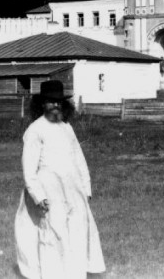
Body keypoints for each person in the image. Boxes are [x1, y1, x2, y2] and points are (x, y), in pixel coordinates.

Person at [14, 80, 105, 279]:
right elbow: (29, 170)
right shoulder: (35, 131)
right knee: (53, 235)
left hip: (73, 193)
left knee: (77, 234)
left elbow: (79, 160)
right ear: (42, 104)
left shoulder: (67, 128)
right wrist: (39, 197)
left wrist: (86, 189)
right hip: (50, 195)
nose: (55, 106)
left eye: (58, 102)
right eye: (50, 102)